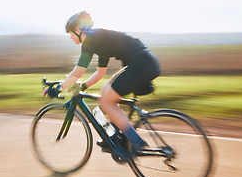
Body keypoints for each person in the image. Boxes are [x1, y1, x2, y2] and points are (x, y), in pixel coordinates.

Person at [45, 11, 161, 152]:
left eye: (70, 33)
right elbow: (101, 72)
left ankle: (135, 142)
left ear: (77, 30)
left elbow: (78, 71)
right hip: (145, 62)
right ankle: (117, 137)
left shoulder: (90, 41)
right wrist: (84, 85)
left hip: (141, 65)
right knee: (105, 91)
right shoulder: (99, 39)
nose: (70, 37)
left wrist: (58, 88)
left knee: (106, 102)